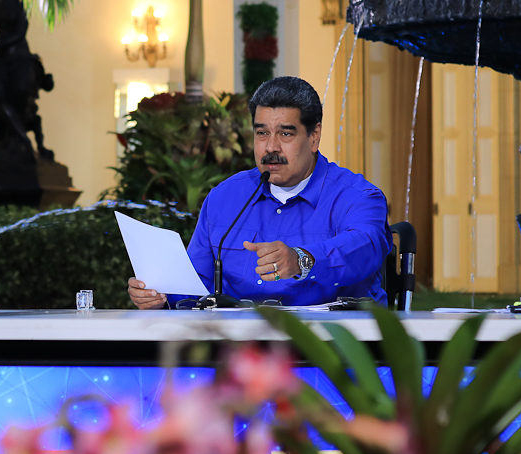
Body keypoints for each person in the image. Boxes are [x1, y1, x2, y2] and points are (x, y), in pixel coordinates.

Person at [127, 76, 391, 309]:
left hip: (329, 352)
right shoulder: (225, 198)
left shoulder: (358, 197)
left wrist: (301, 260)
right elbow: (195, 287)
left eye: (285, 134)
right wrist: (158, 296)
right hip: (238, 351)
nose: (270, 147)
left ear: (314, 137)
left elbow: (365, 247)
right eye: (262, 133)